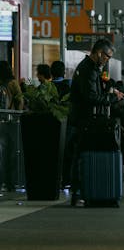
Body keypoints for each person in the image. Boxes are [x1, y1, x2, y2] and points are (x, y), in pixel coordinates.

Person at [69, 38, 124, 205]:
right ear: (99, 52)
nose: (108, 60)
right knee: (80, 155)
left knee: (81, 154)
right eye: (107, 56)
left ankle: (80, 191)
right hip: (84, 120)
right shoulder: (88, 70)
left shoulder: (89, 68)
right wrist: (112, 98)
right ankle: (78, 191)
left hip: (83, 119)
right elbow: (91, 97)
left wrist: (110, 90)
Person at [0, 61, 24, 192]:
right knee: (12, 153)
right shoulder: (13, 83)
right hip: (11, 121)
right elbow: (20, 100)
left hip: (1, 120)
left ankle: (3, 181)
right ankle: (10, 182)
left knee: (2, 153)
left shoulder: (2, 84)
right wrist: (17, 115)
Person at [51, 60, 71, 189]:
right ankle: (66, 180)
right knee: (67, 152)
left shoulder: (48, 86)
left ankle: (54, 180)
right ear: (64, 71)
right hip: (67, 121)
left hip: (52, 122)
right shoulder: (69, 84)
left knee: (54, 151)